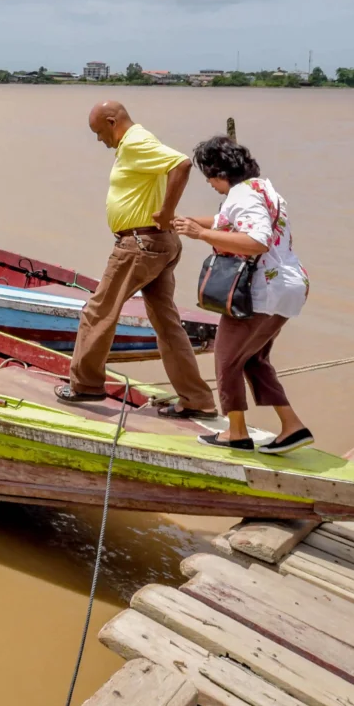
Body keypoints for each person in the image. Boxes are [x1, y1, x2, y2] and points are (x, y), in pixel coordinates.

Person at [54, 102, 217, 416]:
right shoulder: (138, 142)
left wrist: (168, 211)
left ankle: (85, 386)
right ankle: (197, 400)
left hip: (140, 244)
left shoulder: (136, 142)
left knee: (98, 311)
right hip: (157, 244)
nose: (100, 140)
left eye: (100, 132)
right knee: (167, 324)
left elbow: (182, 164)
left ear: (113, 122)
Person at [173, 135, 311, 454]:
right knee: (252, 359)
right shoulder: (262, 188)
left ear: (219, 172)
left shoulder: (241, 196)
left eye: (209, 177)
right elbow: (228, 222)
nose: (209, 184)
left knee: (226, 359)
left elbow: (257, 240)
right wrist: (189, 221)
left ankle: (235, 433)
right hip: (290, 285)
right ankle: (293, 427)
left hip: (262, 290)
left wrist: (201, 234)